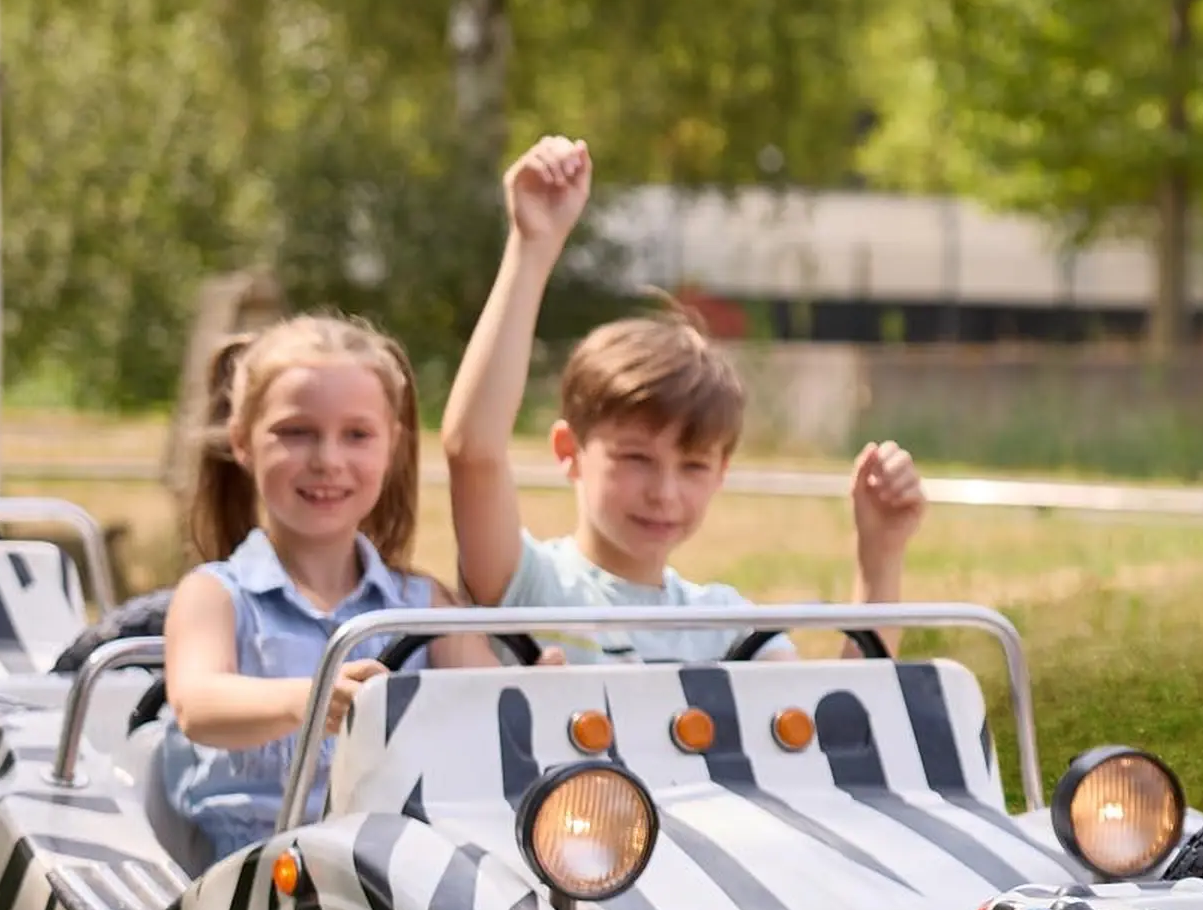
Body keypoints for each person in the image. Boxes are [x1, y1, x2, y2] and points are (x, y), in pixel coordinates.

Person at [441, 134, 929, 660]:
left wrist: (880, 556)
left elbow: (849, 709)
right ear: (569, 452)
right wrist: (532, 245)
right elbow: (473, 452)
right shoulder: (529, 587)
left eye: (693, 466)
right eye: (636, 458)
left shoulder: (727, 629)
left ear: (722, 472)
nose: (664, 492)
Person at [158, 316, 489, 861]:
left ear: (392, 445)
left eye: (356, 435)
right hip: (257, 878)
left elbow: (493, 711)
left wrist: (539, 690)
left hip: (401, 868)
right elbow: (198, 704)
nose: (328, 461)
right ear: (242, 441)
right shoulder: (216, 595)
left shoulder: (423, 605)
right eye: (296, 432)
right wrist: (312, 699)